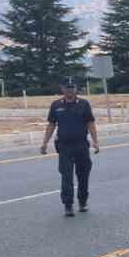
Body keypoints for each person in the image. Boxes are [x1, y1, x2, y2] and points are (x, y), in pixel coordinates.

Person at [40, 78, 99, 216]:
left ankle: (83, 201)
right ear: (62, 89)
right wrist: (44, 143)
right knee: (66, 177)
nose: (70, 90)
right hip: (64, 147)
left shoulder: (84, 104)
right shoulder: (56, 105)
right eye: (67, 87)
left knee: (83, 175)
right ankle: (68, 205)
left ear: (76, 88)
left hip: (81, 146)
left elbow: (90, 123)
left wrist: (95, 141)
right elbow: (51, 125)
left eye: (72, 87)